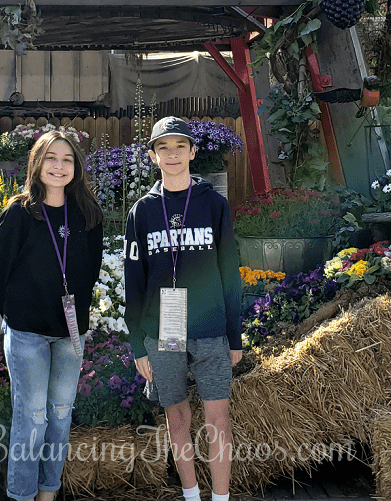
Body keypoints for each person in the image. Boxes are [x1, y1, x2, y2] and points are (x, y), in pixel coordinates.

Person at [124, 117, 242, 501]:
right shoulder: (141, 212)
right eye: (163, 148)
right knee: (176, 416)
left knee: (217, 419)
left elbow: (230, 274)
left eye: (179, 147)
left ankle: (221, 498)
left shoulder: (214, 204)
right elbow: (133, 282)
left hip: (209, 329)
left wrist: (234, 336)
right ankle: (191, 494)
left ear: (193, 152)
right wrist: (138, 345)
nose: (172, 155)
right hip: (163, 334)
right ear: (153, 156)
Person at [0, 130, 104, 501]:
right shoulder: (20, 212)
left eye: (67, 159)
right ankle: (22, 495)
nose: (59, 166)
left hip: (71, 334)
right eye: (51, 158)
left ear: (76, 167)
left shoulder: (88, 213)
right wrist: (19, 318)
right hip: (28, 335)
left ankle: (47, 492)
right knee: (32, 418)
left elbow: (93, 268)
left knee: (61, 415)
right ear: (37, 164)